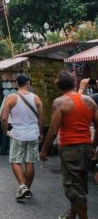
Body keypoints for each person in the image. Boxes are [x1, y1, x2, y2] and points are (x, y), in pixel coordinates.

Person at [40, 72, 98, 219]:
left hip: (69, 149)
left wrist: (44, 150)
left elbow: (53, 130)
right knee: (79, 183)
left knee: (72, 187)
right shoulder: (90, 101)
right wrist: (93, 146)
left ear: (59, 86)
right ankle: (71, 216)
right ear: (74, 84)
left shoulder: (59, 103)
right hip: (86, 147)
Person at [1, 73, 44, 200]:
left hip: (18, 134)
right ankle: (27, 188)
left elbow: (4, 118)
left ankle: (22, 185)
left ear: (17, 84)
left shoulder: (11, 98)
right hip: (32, 134)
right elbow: (41, 119)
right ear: (28, 83)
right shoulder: (36, 98)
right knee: (30, 161)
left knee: (15, 160)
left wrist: (5, 131)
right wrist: (40, 132)